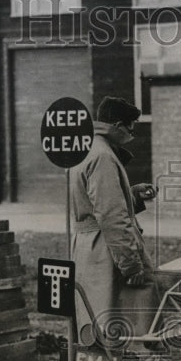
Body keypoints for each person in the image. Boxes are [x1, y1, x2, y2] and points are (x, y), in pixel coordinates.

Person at [69, 96, 158, 346]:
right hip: (105, 252)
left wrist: (132, 196)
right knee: (116, 327)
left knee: (91, 321)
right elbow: (111, 216)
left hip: (87, 249)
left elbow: (91, 204)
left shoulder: (85, 149)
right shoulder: (104, 156)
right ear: (118, 125)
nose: (132, 133)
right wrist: (131, 265)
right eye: (131, 127)